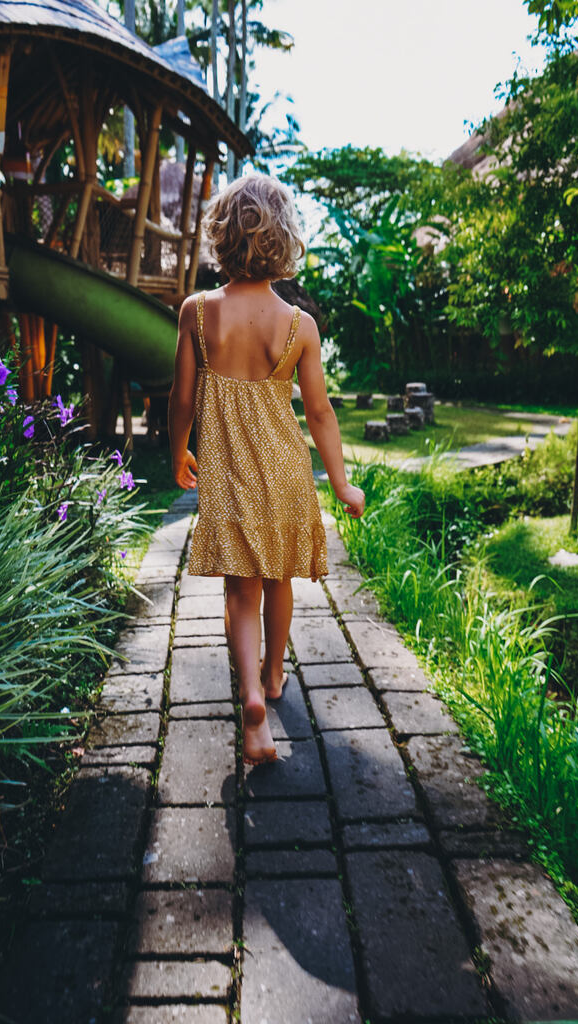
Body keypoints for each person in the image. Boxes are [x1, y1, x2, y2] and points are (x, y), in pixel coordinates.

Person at [168, 173, 365, 766]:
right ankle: (276, 675)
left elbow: (180, 399)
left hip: (228, 477)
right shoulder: (300, 327)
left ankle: (250, 696)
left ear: (220, 238)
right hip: (284, 471)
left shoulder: (198, 314)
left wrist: (177, 449)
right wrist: (341, 482)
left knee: (240, 590)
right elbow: (321, 413)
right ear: (285, 242)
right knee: (280, 578)